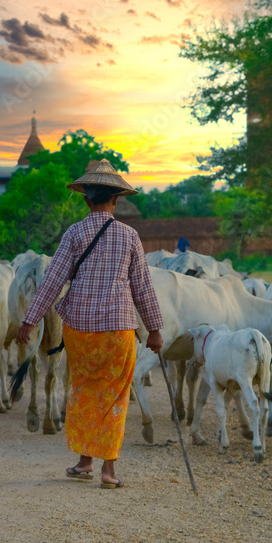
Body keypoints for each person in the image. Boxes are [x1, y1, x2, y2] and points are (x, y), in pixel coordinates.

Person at [16, 160, 163, 489]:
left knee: (82, 390)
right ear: (116, 200)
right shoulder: (130, 237)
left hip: (80, 330)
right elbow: (143, 288)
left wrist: (30, 320)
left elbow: (53, 281)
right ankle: (108, 471)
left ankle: (84, 462)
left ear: (86, 199)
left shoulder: (74, 233)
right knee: (114, 395)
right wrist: (154, 329)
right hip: (118, 330)